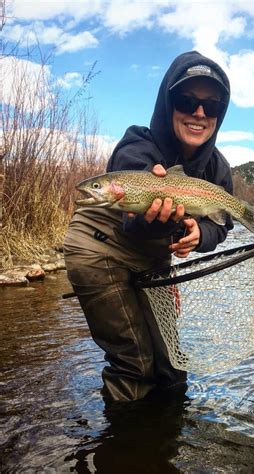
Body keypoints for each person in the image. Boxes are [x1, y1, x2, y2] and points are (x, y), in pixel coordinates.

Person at [64, 51, 233, 401]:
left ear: (221, 112)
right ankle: (127, 449)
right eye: (186, 101)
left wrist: (202, 235)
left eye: (211, 106)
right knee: (136, 364)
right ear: (167, 103)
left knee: (170, 366)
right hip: (99, 249)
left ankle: (166, 445)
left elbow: (224, 221)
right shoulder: (137, 146)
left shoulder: (217, 170)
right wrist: (151, 213)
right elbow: (135, 225)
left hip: (153, 260)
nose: (199, 113)